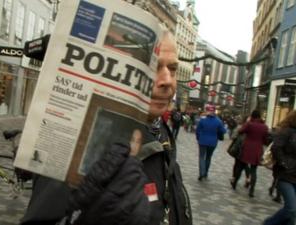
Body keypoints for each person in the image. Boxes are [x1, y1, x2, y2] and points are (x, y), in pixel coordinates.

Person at [20, 30, 192, 225]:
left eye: (173, 68)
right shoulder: (81, 144)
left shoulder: (162, 134)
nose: (167, 80)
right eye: (153, 67)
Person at [263, 110, 296, 225]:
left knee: (293, 212)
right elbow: (276, 148)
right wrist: (285, 163)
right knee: (291, 208)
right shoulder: (286, 132)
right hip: (286, 175)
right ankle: (268, 223)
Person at [231, 110, 269, 197]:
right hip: (258, 150)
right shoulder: (264, 127)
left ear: (252, 116)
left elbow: (240, 131)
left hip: (247, 148)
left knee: (240, 167)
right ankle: (252, 190)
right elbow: (266, 140)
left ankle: (235, 182)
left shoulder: (249, 124)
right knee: (253, 170)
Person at [195, 104, 226, 181]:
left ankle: (201, 173)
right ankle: (205, 173)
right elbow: (223, 131)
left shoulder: (202, 120)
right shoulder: (218, 121)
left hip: (202, 141)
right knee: (208, 157)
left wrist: (198, 138)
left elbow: (197, 131)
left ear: (207, 111)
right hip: (213, 142)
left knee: (201, 157)